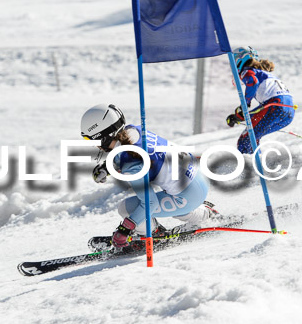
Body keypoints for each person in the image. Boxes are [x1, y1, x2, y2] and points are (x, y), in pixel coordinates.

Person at [81, 104, 216, 249]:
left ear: (104, 137)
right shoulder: (133, 131)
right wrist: (109, 166)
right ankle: (204, 214)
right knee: (174, 205)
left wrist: (125, 229)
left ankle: (154, 235)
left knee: (126, 209)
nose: (94, 146)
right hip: (199, 178)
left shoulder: (131, 165)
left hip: (188, 196)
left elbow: (150, 203)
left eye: (91, 140)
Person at [226, 46, 295, 154]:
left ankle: (251, 167)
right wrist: (238, 117)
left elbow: (252, 82)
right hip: (288, 111)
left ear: (239, 60)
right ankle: (261, 165)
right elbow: (259, 113)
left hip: (274, 107)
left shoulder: (247, 71)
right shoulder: (265, 74)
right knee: (253, 138)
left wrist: (246, 103)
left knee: (246, 140)